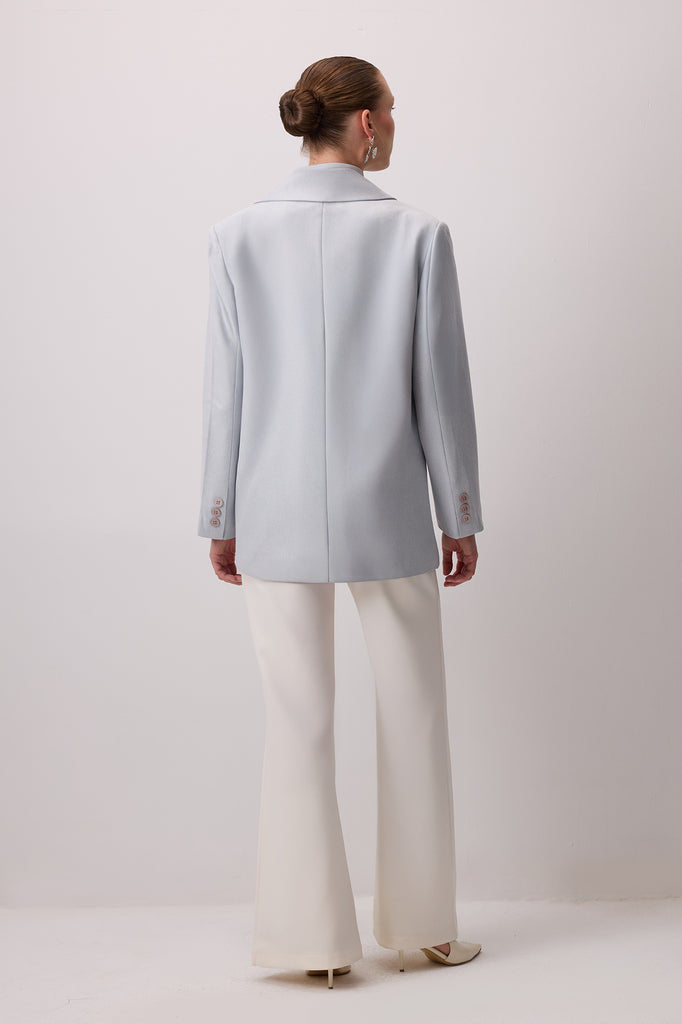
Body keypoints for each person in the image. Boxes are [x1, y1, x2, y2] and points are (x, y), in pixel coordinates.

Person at [197, 56, 484, 988]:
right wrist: (458, 511)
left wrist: (220, 513)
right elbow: (440, 390)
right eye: (390, 110)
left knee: (296, 725)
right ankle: (424, 930)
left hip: (272, 510)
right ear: (364, 125)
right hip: (389, 509)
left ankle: (308, 944)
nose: (394, 123)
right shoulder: (417, 235)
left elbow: (226, 394)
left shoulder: (236, 235)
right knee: (414, 714)